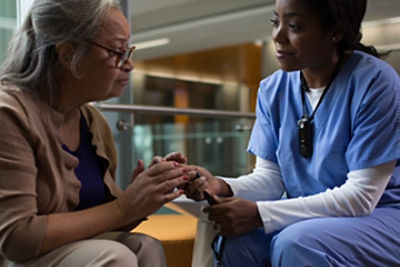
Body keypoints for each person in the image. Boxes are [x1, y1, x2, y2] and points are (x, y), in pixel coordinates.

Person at [182, 0, 400, 266]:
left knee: (296, 242)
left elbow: (362, 196)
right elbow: (271, 179)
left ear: (335, 31)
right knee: (237, 241)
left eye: (294, 26)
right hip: (309, 214)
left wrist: (261, 214)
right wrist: (221, 186)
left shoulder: (375, 82)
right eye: (276, 22)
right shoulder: (273, 89)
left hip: (381, 213)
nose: (278, 35)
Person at [0, 0, 193, 266]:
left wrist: (141, 197)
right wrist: (124, 207)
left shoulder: (92, 121)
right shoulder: (9, 114)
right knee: (116, 256)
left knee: (145, 246)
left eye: (129, 50)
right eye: (117, 51)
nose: (129, 65)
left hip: (68, 254)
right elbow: (15, 239)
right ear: (68, 54)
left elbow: (104, 220)